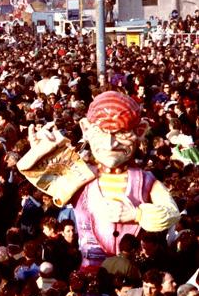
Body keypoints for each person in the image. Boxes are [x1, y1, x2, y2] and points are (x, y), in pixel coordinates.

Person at [18, 91, 180, 270]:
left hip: (133, 274)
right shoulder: (81, 175)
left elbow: (172, 212)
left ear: (140, 131)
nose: (111, 144)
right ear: (86, 129)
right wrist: (41, 153)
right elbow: (31, 172)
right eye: (102, 134)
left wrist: (137, 215)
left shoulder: (143, 179)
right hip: (91, 272)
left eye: (121, 133)